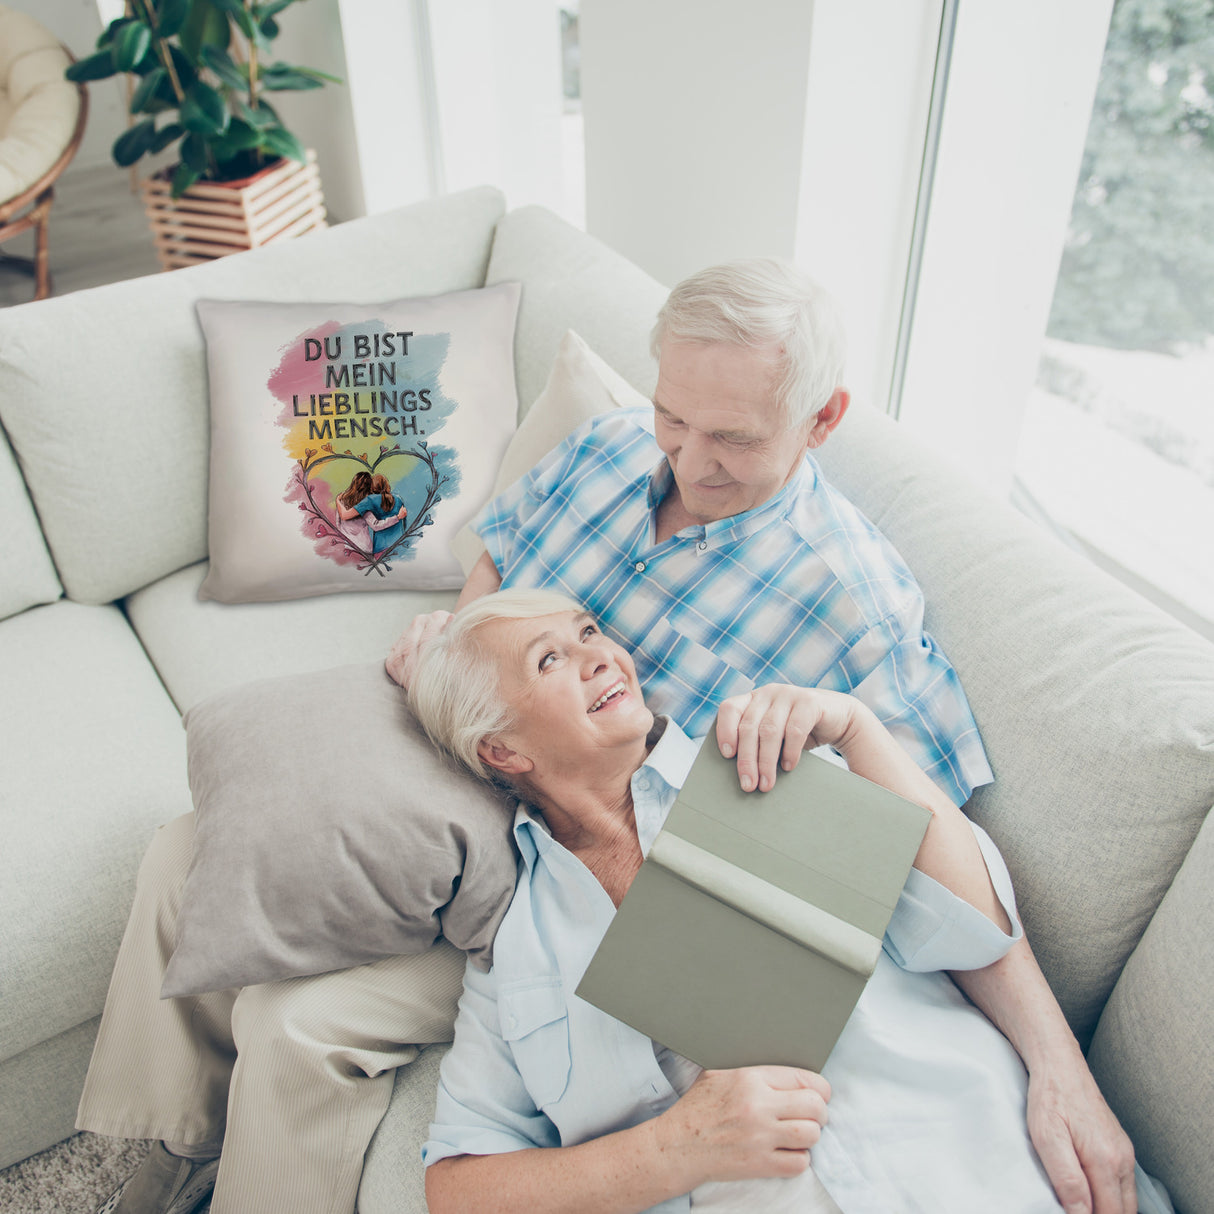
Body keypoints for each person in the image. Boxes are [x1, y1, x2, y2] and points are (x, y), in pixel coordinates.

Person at [80, 261, 1132, 1214]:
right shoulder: (608, 448)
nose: (687, 457)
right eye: (674, 415)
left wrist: (1058, 1065)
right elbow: (498, 559)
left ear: (820, 421)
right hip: (488, 746)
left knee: (299, 1023)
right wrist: (458, 645)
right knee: (193, 846)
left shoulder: (854, 609)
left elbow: (927, 856)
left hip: (580, 852)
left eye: (732, 437)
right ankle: (157, 1149)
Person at [407, 589, 1161, 1214]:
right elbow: (458, 1187)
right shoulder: (516, 951)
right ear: (502, 750)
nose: (601, 655)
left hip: (986, 1167)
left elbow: (973, 929)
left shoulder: (762, 762)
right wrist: (672, 1150)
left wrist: (859, 731)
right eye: (550, 659)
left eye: (589, 632)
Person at [336, 471, 407, 554]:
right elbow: (404, 523)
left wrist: (337, 500)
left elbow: (340, 521)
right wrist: (398, 517)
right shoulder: (398, 499)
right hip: (398, 542)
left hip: (352, 545)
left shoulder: (347, 503)